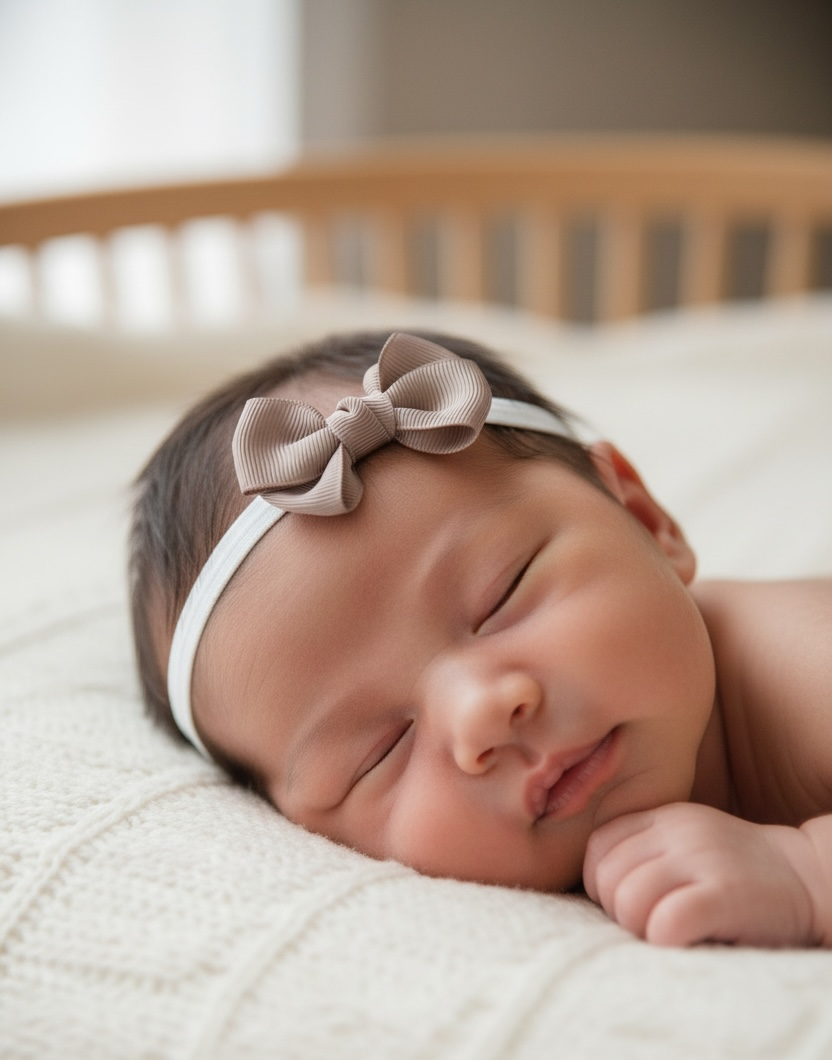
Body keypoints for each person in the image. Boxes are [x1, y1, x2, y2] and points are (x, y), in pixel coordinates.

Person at [130, 329, 832, 950]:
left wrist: (804, 875)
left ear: (645, 519)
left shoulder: (801, 661)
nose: (482, 712)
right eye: (379, 754)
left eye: (505, 595)